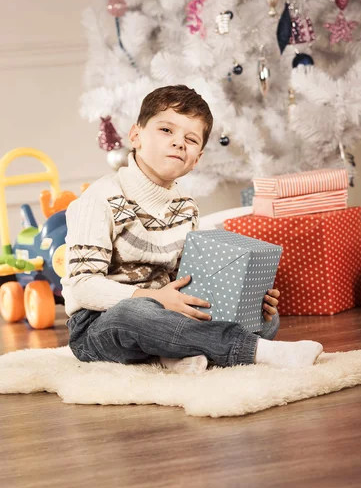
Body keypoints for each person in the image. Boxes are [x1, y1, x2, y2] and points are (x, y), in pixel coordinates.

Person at [62, 85, 323, 373]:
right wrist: (154, 298)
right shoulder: (98, 200)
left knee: (267, 319)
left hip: (165, 310)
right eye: (166, 130)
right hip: (99, 324)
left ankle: (172, 354)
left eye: (190, 139)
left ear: (196, 159)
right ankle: (254, 350)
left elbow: (186, 280)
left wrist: (245, 298)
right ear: (136, 136)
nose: (178, 143)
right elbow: (83, 286)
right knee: (135, 313)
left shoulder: (186, 208)